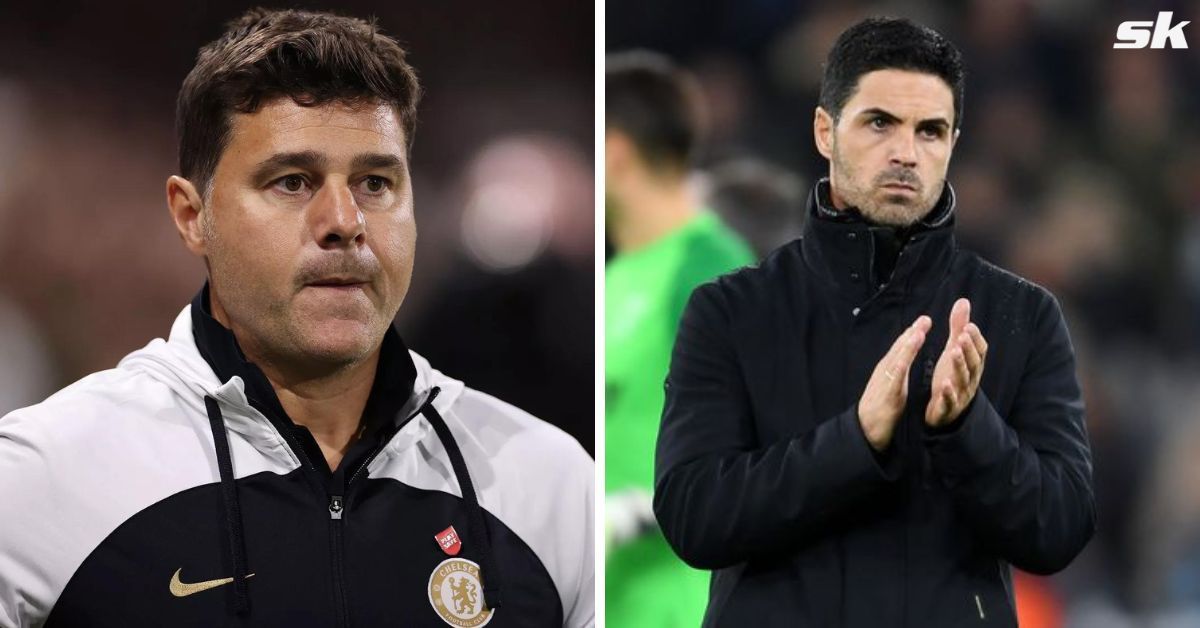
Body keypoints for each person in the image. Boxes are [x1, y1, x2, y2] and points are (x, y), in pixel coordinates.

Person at [0, 9, 593, 627]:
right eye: (291, 182)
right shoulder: (44, 477)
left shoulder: (550, 485)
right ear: (190, 215)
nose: (344, 220)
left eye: (375, 182)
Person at [654, 17, 1095, 627]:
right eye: (880, 122)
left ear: (953, 143)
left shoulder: (1021, 314)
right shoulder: (730, 311)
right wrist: (855, 441)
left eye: (930, 131)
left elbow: (1062, 531)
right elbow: (693, 519)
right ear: (824, 131)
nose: (905, 153)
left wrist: (967, 428)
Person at [604, 51, 754, 628]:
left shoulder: (710, 270)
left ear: (615, 153)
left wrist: (627, 515)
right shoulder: (618, 277)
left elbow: (750, 457)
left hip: (685, 606)